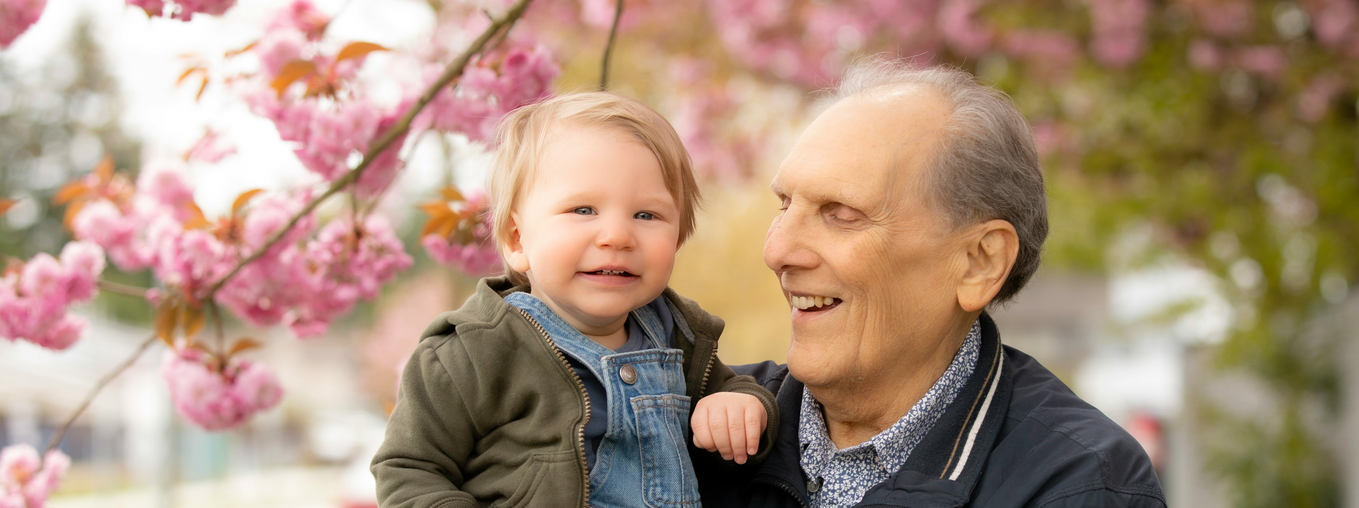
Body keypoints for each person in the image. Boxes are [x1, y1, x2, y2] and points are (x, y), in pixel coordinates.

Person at [698, 58, 1167, 507]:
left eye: (841, 214)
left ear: (978, 262)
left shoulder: (1082, 485)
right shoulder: (687, 424)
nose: (776, 251)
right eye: (784, 205)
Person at [372, 92, 778, 508]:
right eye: (583, 210)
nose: (617, 236)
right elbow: (410, 469)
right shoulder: (473, 353)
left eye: (646, 215)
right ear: (517, 239)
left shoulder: (678, 340)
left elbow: (735, 404)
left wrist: (741, 406)